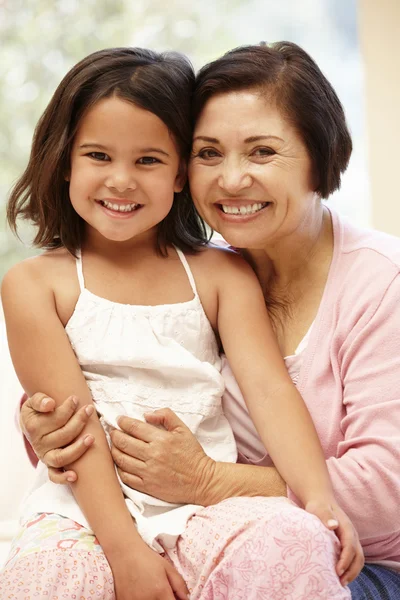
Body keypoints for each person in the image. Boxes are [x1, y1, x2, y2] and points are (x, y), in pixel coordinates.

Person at [18, 41, 400, 599]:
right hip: (136, 520)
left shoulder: (377, 282)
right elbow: (109, 389)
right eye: (209, 152)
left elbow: (386, 486)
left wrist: (210, 482)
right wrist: (45, 426)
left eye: (262, 152)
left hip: (362, 563)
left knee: (284, 548)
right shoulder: (218, 262)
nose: (232, 180)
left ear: (320, 157)